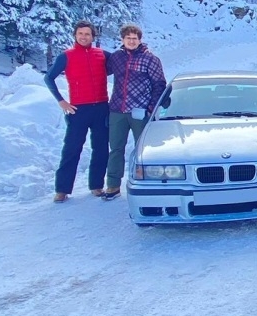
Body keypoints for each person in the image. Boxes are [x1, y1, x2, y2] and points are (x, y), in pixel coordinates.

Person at [44, 20, 112, 203]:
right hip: (78, 109)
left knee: (101, 149)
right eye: (80, 34)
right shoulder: (66, 56)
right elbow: (48, 78)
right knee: (72, 149)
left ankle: (96, 185)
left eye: (87, 34)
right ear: (75, 35)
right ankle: (62, 189)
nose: (84, 37)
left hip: (101, 108)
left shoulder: (102, 55)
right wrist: (61, 101)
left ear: (93, 36)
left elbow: (122, 67)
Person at [103, 24, 166, 200]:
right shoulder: (116, 58)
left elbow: (159, 84)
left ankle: (149, 184)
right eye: (128, 38)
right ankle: (113, 185)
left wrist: (151, 107)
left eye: (135, 38)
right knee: (116, 148)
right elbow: (101, 72)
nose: (132, 41)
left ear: (140, 40)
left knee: (144, 151)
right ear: (122, 40)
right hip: (117, 110)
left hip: (140, 111)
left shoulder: (150, 59)